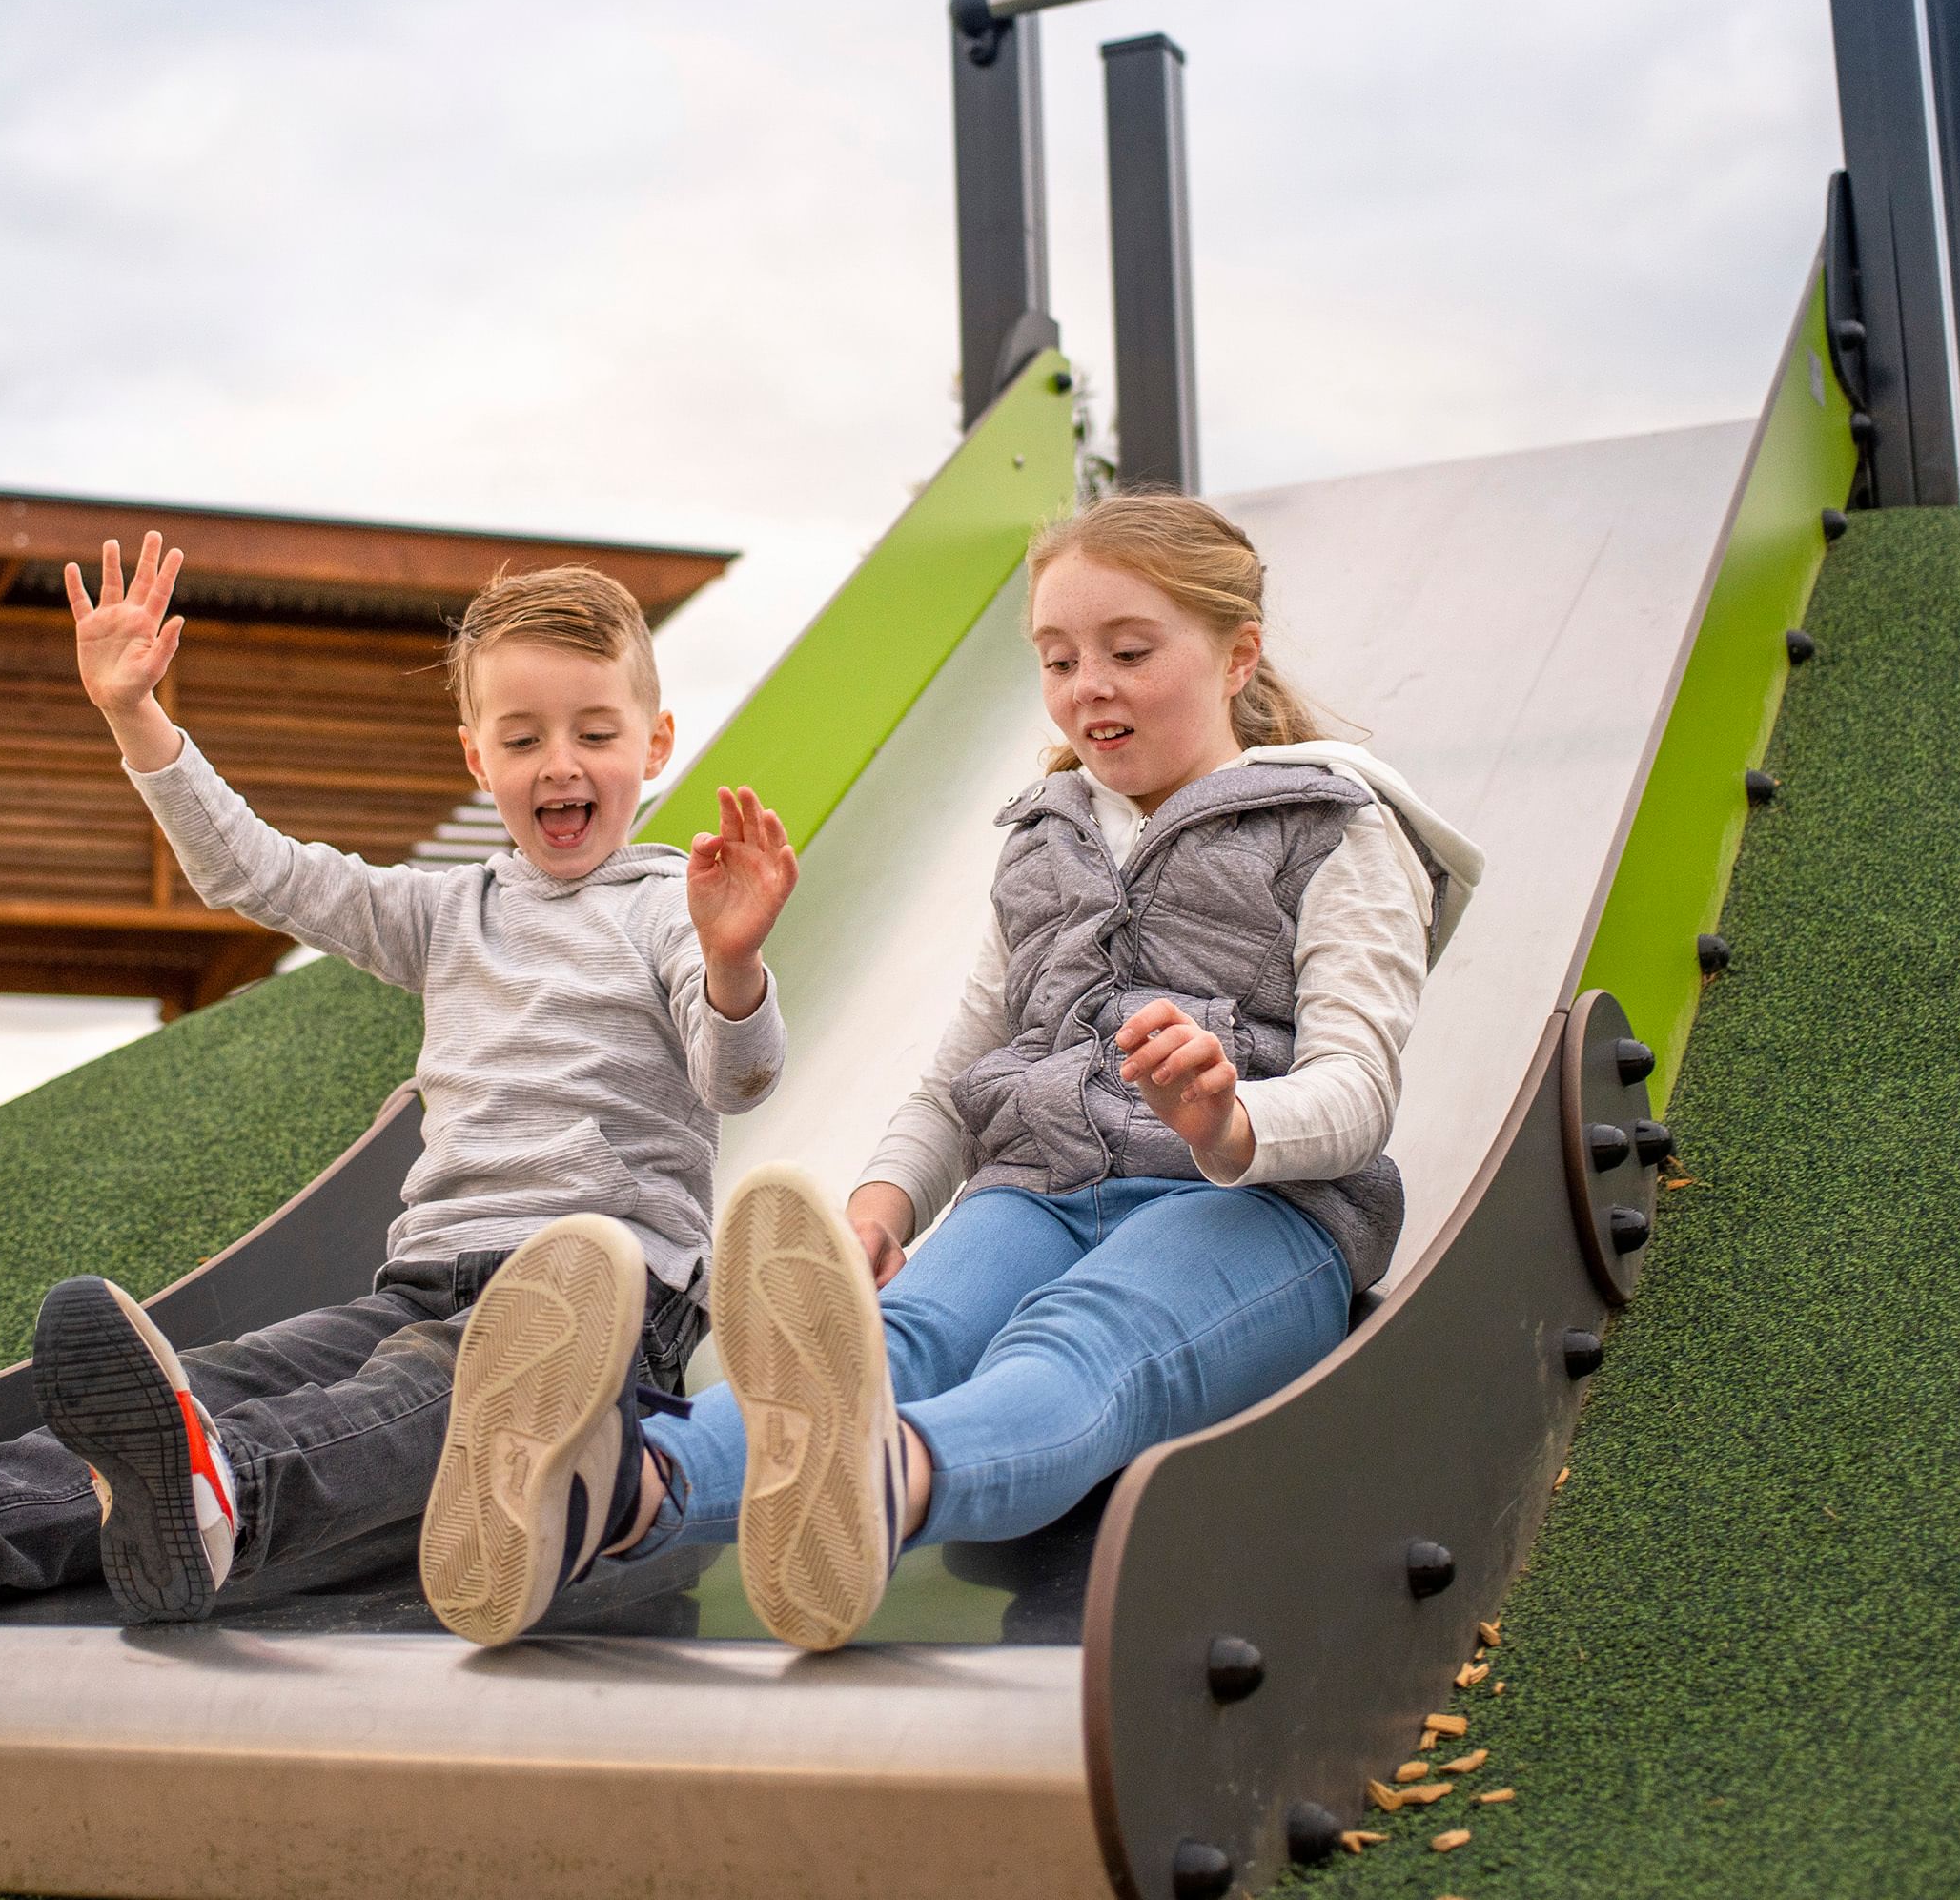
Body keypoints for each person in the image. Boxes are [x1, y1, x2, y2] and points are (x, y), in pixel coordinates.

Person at [0, 540, 799, 1627]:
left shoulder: (668, 909)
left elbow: (734, 1077)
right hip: (420, 1287)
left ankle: (227, 1491)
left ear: (654, 744)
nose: (559, 765)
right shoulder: (447, 912)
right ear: (475, 755)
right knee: (220, 1382)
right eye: (523, 739)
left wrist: (735, 964)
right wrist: (137, 718)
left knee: (422, 1400)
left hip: (594, 1321)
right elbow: (255, 873)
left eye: (594, 734)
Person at [421, 491, 1479, 1650]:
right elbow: (962, 1073)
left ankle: (883, 1484)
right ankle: (614, 1495)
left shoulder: (1335, 829)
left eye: (1129, 653)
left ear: (1237, 656)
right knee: (898, 1335)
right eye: (1058, 659)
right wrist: (884, 1205)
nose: (1088, 687)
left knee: (1078, 1344)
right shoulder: (1045, 841)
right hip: (1038, 1190)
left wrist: (1228, 1121)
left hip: (1254, 1211)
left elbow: (1357, 1088)